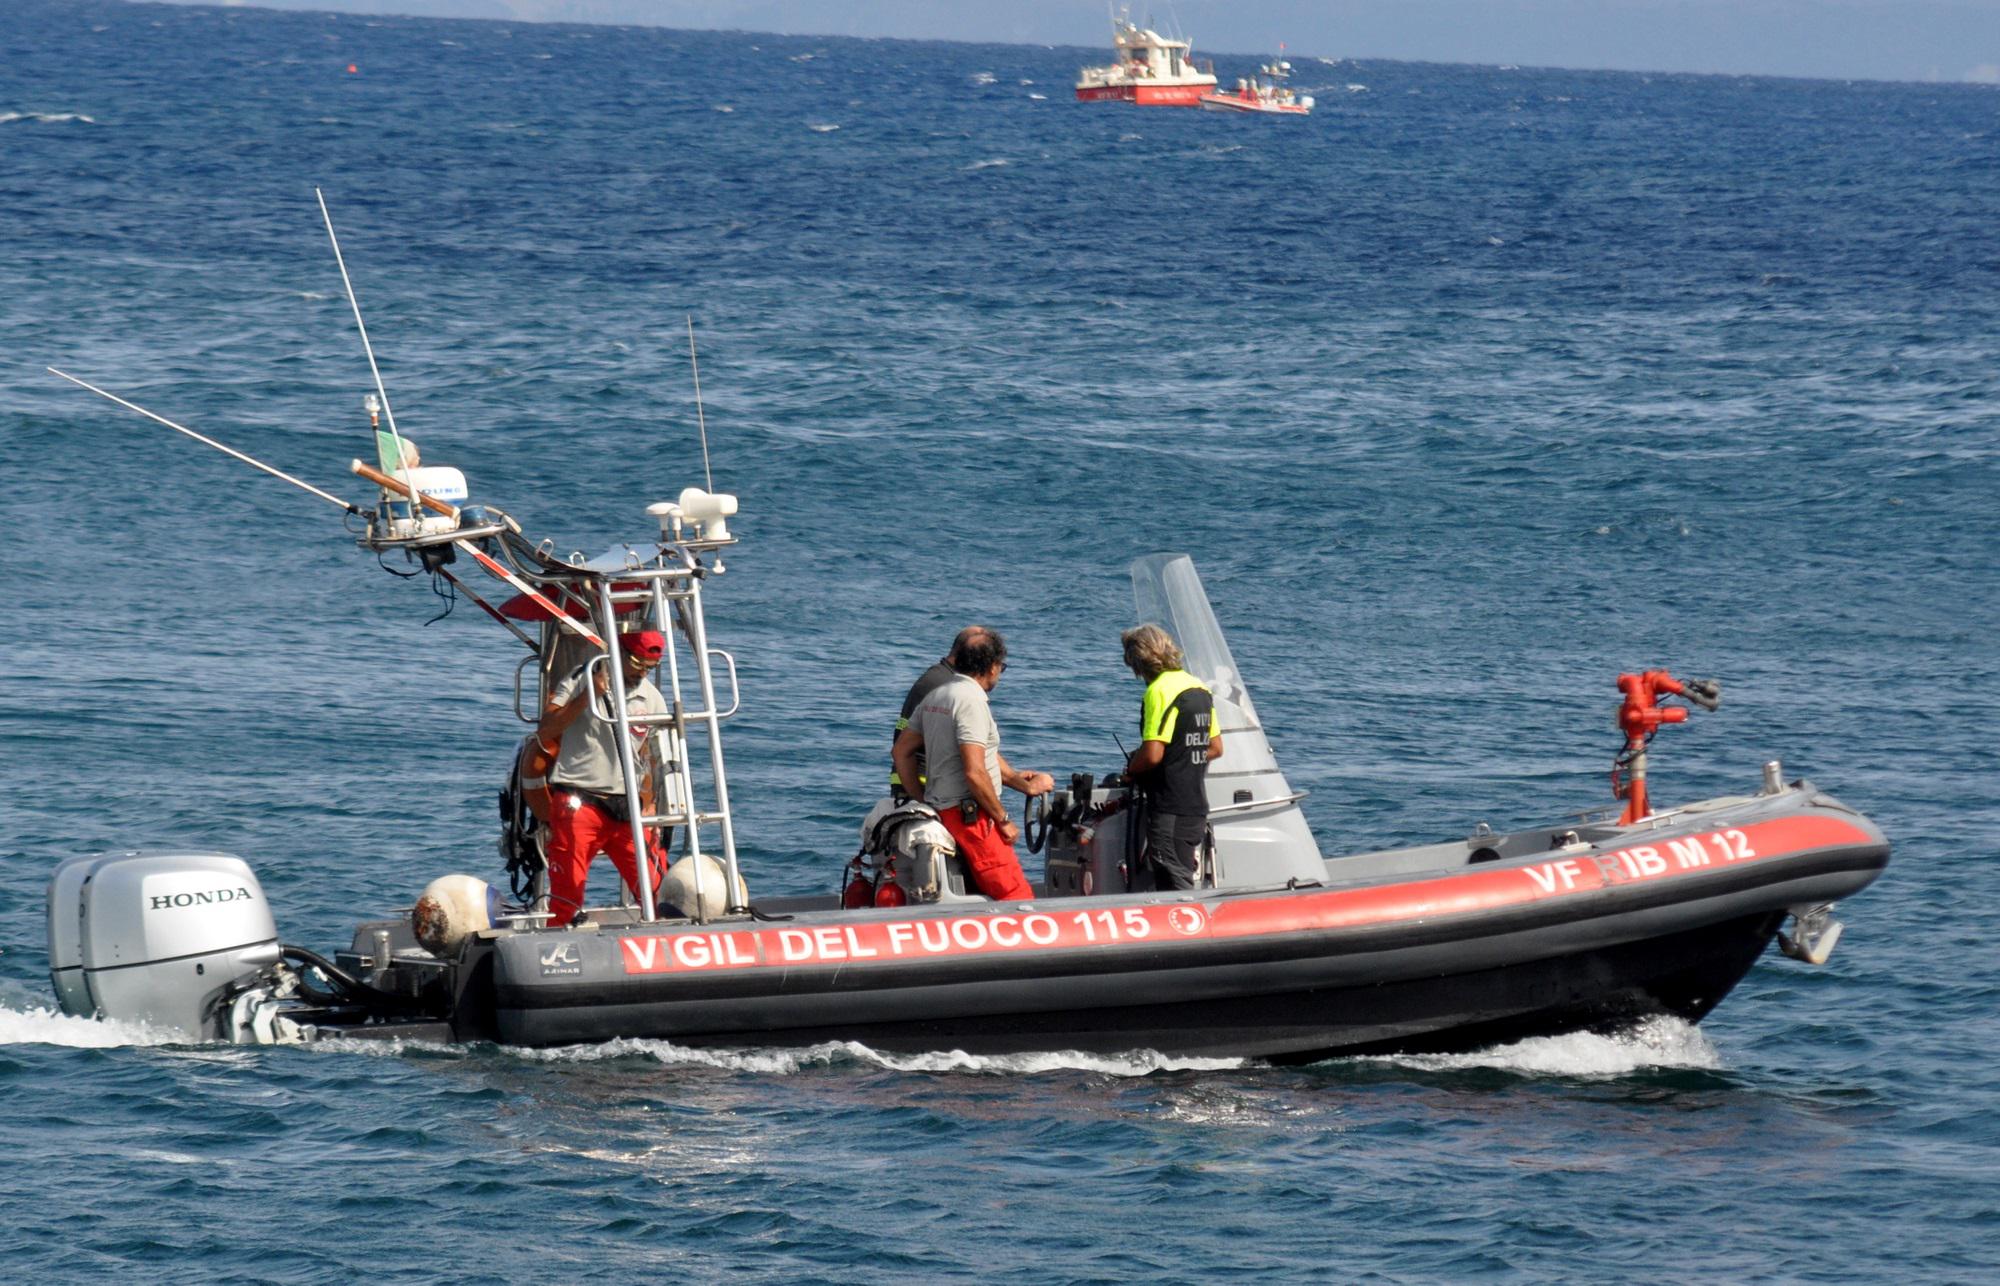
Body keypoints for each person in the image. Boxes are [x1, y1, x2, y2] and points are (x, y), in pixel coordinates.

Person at [891, 629, 1053, 901]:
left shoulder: (938, 695)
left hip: (942, 810)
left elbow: (901, 751)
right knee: (1015, 895)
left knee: (976, 890)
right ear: (992, 667)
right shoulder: (972, 701)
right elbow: (975, 771)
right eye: (1002, 667)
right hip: (971, 817)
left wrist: (922, 799)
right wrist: (1003, 820)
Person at [536, 630, 671, 927]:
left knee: (657, 887)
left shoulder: (652, 698)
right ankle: (559, 949)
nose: (643, 672)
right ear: (619, 655)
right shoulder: (580, 678)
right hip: (581, 801)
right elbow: (547, 728)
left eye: (650, 667)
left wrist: (649, 803)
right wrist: (589, 696)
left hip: (629, 807)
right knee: (567, 893)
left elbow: (652, 755)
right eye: (638, 663)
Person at [1121, 623, 1225, 891]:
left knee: (1174, 884)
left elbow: (1153, 754)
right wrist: (1182, 754)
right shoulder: (1198, 688)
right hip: (1195, 806)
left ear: (1137, 661)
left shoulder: (1158, 691)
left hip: (1170, 808)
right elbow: (1215, 747)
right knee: (1182, 875)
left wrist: (1132, 768)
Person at [889, 626, 994, 801]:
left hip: (918, 788)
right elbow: (972, 756)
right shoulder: (949, 688)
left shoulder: (940, 679)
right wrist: (922, 802)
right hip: (926, 789)